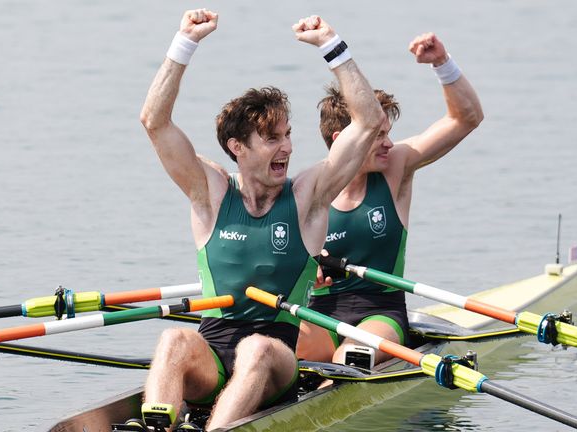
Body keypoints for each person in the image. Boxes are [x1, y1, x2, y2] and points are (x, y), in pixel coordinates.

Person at [135, 8, 383, 432]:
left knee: (256, 348)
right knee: (173, 339)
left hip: (276, 357)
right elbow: (154, 122)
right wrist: (184, 42)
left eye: (288, 135)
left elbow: (369, 122)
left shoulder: (307, 197)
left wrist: (331, 45)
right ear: (238, 148)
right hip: (211, 355)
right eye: (272, 139)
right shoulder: (210, 192)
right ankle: (158, 425)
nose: (287, 147)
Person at [296, 32, 483, 367]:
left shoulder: (396, 167)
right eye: (378, 134)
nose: (389, 143)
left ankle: (339, 375)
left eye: (388, 133)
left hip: (380, 312)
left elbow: (465, 118)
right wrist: (306, 270)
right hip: (318, 313)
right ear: (343, 139)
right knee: (275, 344)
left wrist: (442, 63)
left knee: (350, 355)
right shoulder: (306, 188)